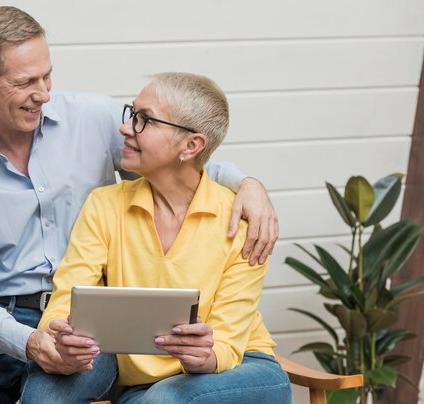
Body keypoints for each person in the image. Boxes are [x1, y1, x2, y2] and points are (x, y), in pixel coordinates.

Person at [0, 6, 278, 403]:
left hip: (89, 321)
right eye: (25, 82)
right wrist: (30, 341)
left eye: (47, 75)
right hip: (0, 320)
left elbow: (181, 157)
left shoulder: (90, 117)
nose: (43, 94)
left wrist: (249, 184)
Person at [21, 72, 292, 403]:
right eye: (131, 114)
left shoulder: (241, 221)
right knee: (46, 396)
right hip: (146, 385)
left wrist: (204, 355)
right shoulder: (105, 205)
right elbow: (69, 291)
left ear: (191, 145)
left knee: (163, 400)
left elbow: (228, 341)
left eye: (143, 120)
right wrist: (60, 333)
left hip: (238, 368)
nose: (125, 128)